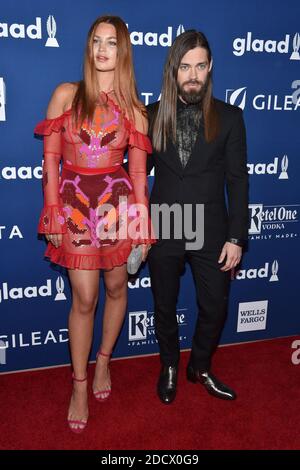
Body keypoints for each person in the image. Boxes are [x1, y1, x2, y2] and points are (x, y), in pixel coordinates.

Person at [35, 15, 153, 432]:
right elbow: (50, 159)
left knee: (117, 286)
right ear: (88, 48)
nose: (102, 49)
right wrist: (51, 209)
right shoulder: (66, 95)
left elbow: (138, 176)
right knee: (84, 297)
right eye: (96, 41)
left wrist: (141, 220)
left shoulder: (135, 111)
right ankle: (79, 384)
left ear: (123, 52)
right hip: (72, 205)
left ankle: (103, 361)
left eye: (112, 43)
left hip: (117, 207)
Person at [147, 30, 249, 404]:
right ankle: (170, 364)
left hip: (211, 227)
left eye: (200, 66)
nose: (193, 75)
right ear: (174, 70)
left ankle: (200, 365)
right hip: (167, 221)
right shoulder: (151, 115)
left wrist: (236, 237)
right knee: (164, 304)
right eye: (185, 66)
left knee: (215, 306)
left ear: (210, 69)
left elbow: (238, 181)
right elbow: (131, 173)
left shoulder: (230, 117)